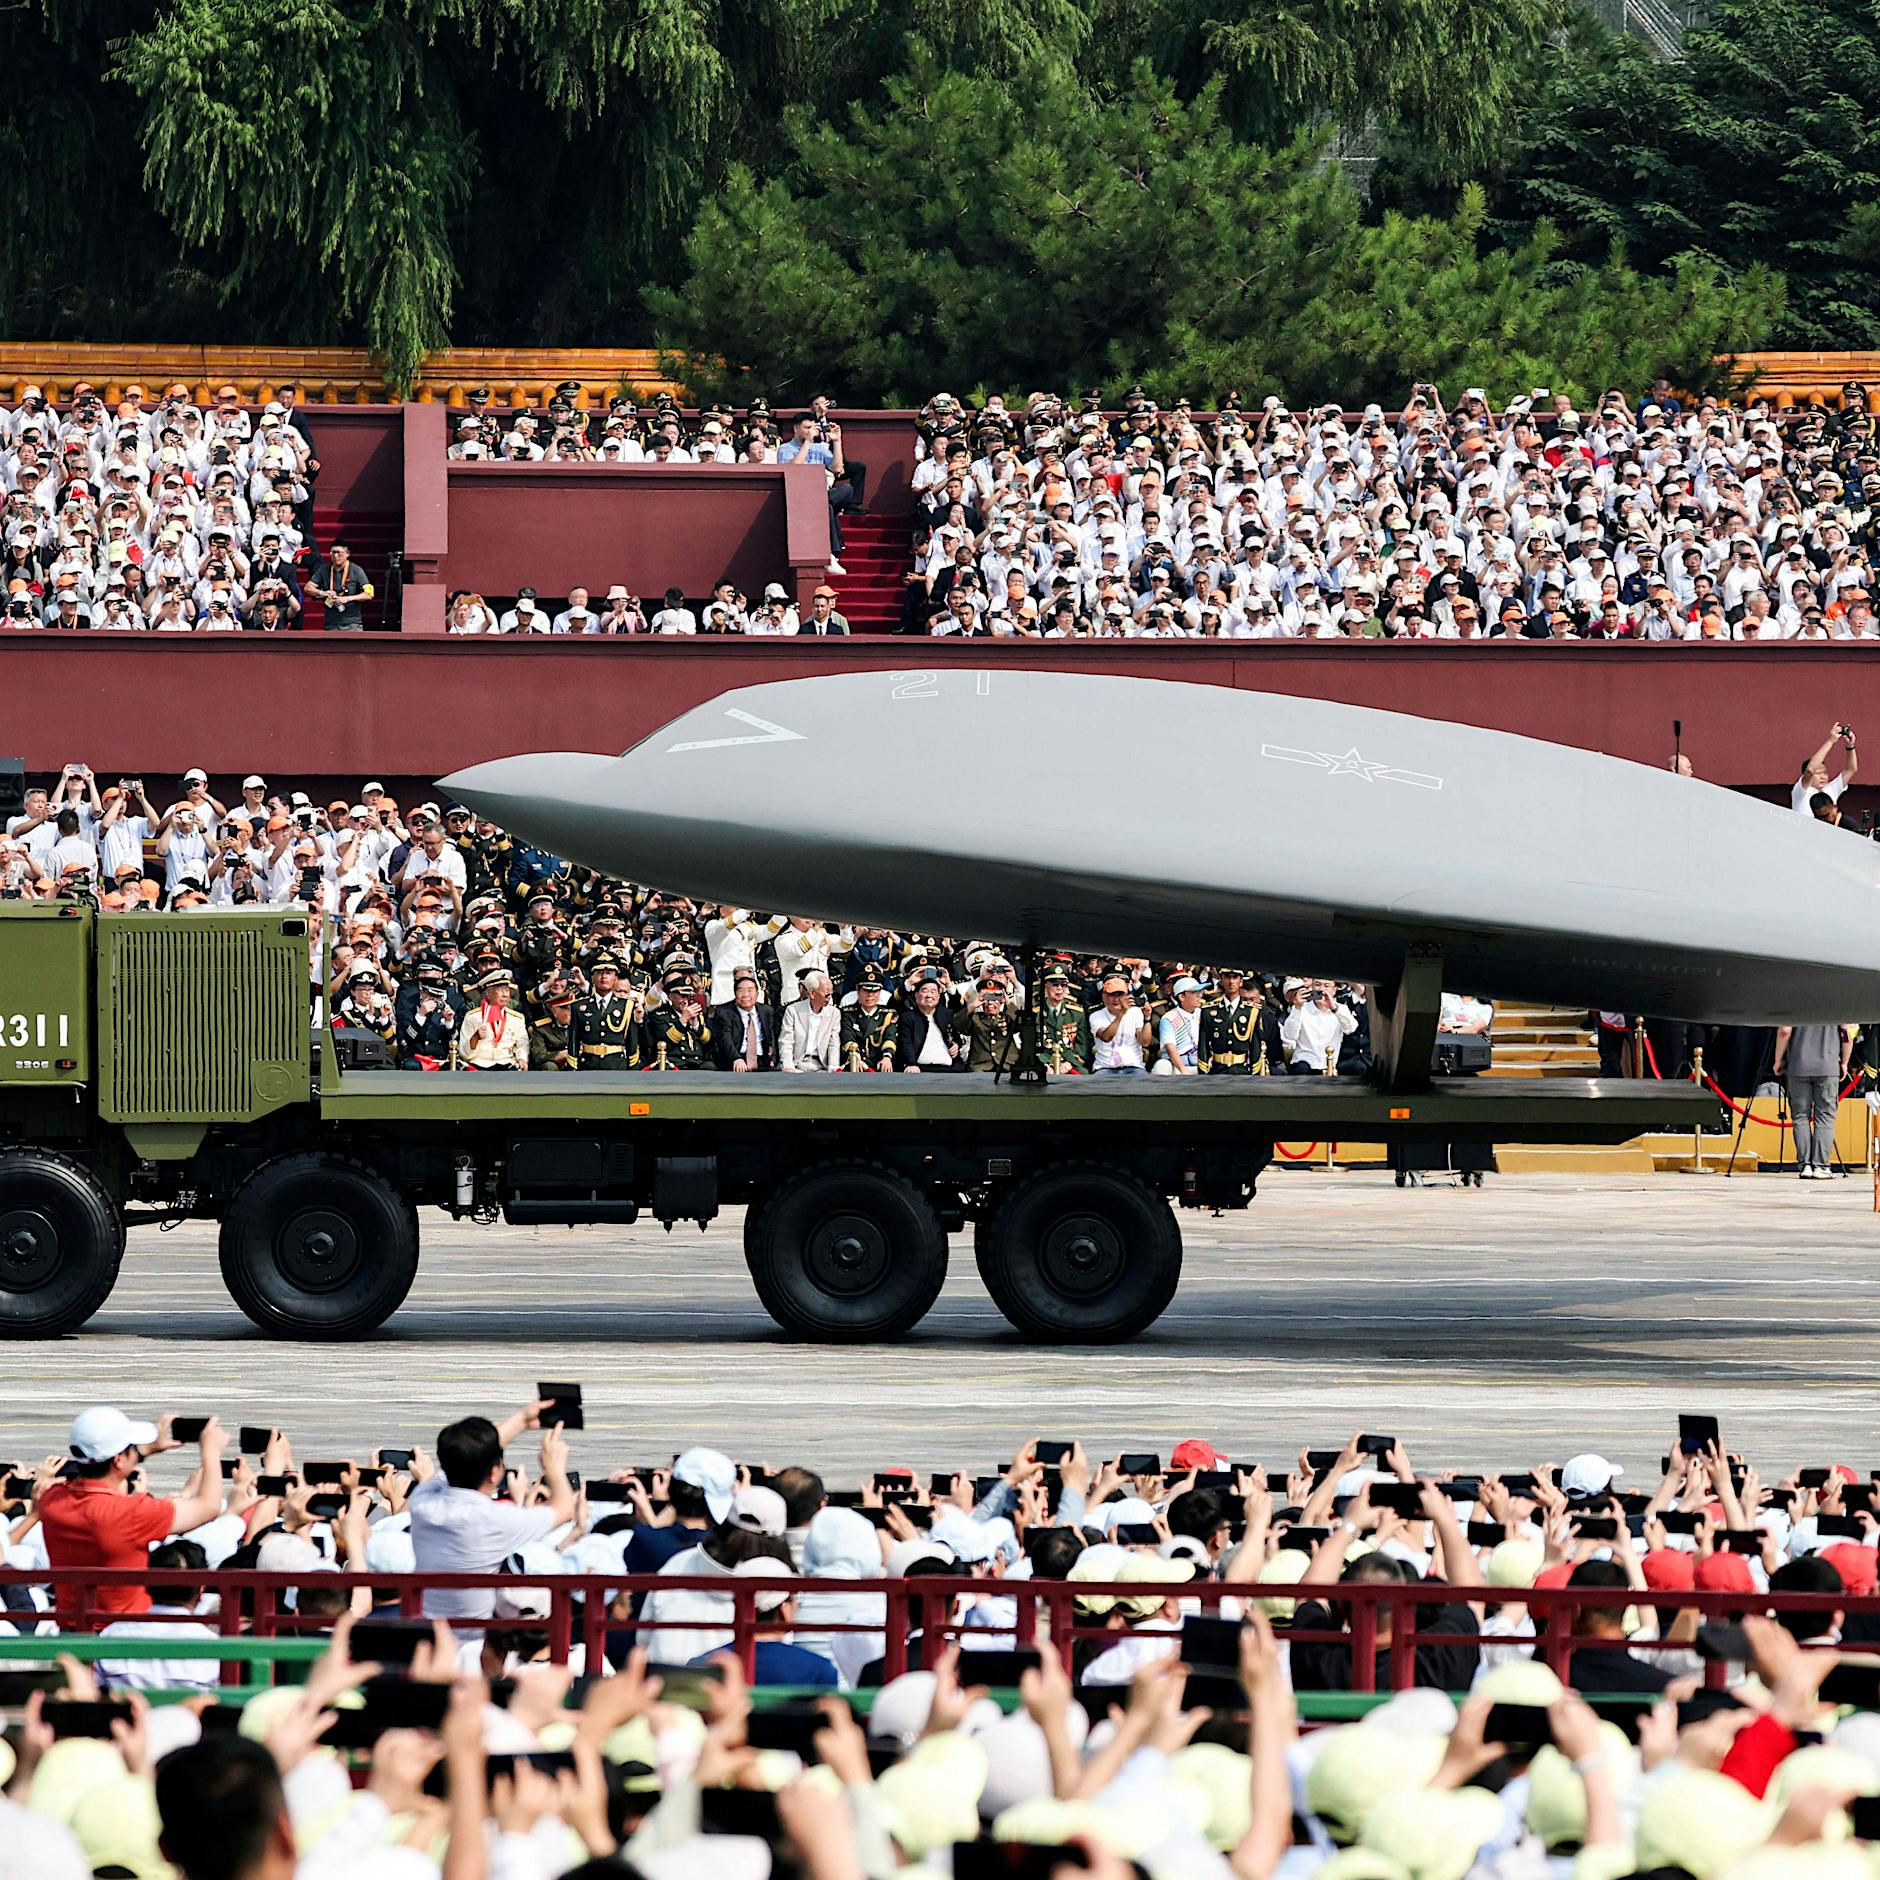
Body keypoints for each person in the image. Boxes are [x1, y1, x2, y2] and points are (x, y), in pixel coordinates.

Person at [37, 1407, 231, 1621]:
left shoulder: (52, 1500)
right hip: (125, 1632)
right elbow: (208, 1507)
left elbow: (93, 1472)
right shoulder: (129, 1513)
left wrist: (143, 1450)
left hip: (72, 1627)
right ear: (119, 1459)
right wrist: (211, 1454)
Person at [406, 1397, 574, 1623]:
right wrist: (553, 1467)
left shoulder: (423, 1502)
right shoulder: (494, 1520)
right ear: (496, 1473)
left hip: (425, 1632)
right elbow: (564, 1509)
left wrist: (522, 1420)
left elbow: (464, 1457)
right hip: (473, 1640)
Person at [1774, 1018, 1854, 1177]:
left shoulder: (1795, 999)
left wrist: (1778, 1060)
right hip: (1828, 1066)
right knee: (1825, 1116)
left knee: (1800, 1116)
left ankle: (1805, 1165)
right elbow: (1847, 1031)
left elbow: (1785, 1031)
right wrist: (1845, 1062)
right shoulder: (1839, 1000)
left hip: (1798, 1066)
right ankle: (1821, 1166)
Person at [1280, 977, 1358, 1073]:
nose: (1321, 989)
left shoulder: (1340, 1009)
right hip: (1304, 1064)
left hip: (1330, 1065)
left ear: (1334, 989)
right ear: (1312, 987)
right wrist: (1297, 1008)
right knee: (1302, 1070)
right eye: (1317, 985)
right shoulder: (1302, 1008)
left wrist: (1334, 1008)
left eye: (1326, 986)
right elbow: (1290, 1035)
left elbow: (1351, 1029)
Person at [457, 967, 528, 1070]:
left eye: (507, 990)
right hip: (479, 1066)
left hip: (507, 1064)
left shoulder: (517, 1018)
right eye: (499, 990)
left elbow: (522, 1044)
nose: (505, 995)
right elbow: (464, 1054)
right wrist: (475, 1038)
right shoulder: (473, 1017)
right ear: (488, 994)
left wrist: (522, 1059)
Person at [710, 969, 779, 1070]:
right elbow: (725, 1039)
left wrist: (773, 1058)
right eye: (741, 990)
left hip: (763, 1062)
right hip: (736, 1060)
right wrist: (736, 1058)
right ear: (735, 993)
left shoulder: (767, 1011)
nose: (746, 995)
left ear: (757, 993)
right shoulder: (724, 1012)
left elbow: (772, 1037)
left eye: (750, 990)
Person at [897, 966, 962, 1070]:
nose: (929, 995)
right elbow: (906, 1043)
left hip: (950, 1070)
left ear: (939, 996)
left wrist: (956, 1045)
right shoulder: (908, 1017)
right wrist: (911, 1063)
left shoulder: (947, 1014)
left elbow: (962, 1012)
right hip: (920, 1069)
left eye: (933, 991)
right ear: (916, 995)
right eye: (924, 991)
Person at [1088, 973, 1153, 1074]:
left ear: (1127, 995)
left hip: (1133, 1066)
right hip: (1105, 1067)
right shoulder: (1096, 1016)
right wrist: (1121, 1013)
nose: (1116, 999)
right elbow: (1106, 1037)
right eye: (1112, 994)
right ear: (1104, 996)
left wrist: (1147, 1019)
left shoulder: (1135, 1012)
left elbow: (1145, 1042)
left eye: (1120, 994)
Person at [779, 969, 842, 1071]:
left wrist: (833, 1067)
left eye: (831, 994)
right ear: (812, 993)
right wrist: (788, 1065)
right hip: (797, 1064)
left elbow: (834, 1042)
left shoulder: (834, 1013)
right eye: (827, 995)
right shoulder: (793, 1010)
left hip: (821, 1066)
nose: (829, 998)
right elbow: (786, 1041)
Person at [1793, 722, 1858, 815]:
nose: (1823, 777)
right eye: (1818, 773)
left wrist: (1850, 746)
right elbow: (1810, 770)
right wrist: (1831, 741)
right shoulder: (1800, 791)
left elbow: (1851, 770)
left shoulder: (1830, 789)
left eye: (1825, 773)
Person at [308, 541, 373, 633]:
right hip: (331, 623)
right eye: (333, 552)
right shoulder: (324, 570)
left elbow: (369, 594)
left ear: (347, 554)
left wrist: (347, 599)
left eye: (339, 553)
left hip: (352, 623)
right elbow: (308, 588)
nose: (335, 556)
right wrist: (323, 593)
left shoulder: (356, 570)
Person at [1154, 974, 1205, 1074]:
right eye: (1195, 992)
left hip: (1201, 1063)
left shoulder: (1204, 1014)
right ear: (1182, 997)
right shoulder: (1169, 1018)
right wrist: (1183, 1069)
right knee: (1161, 1066)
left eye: (1200, 991)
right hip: (1177, 1064)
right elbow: (1170, 1047)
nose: (1200, 995)